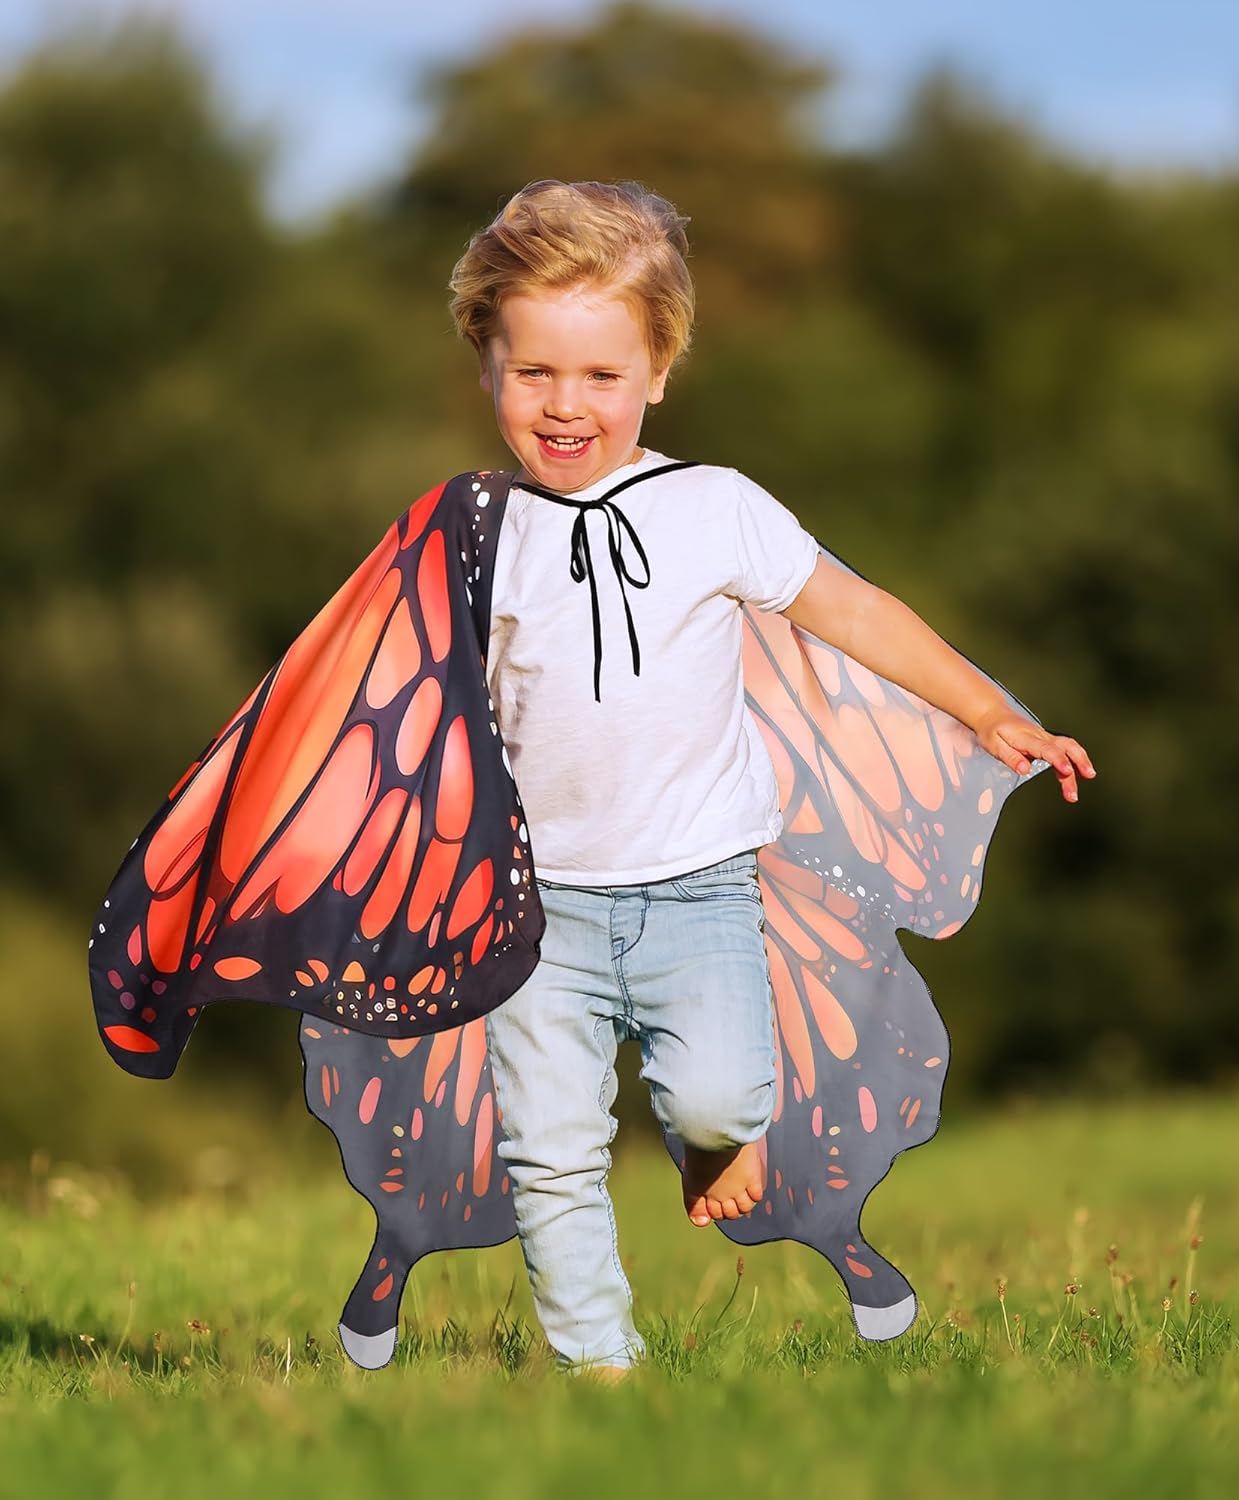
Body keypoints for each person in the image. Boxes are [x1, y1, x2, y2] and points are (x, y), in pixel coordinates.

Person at [445, 178, 1096, 1380]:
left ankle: (713, 1140)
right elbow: (391, 702)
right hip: (534, 910)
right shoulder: (467, 534)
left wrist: (990, 710)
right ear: (485, 361)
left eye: (601, 375)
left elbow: (852, 609)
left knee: (719, 1101)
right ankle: (600, 1373)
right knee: (549, 1152)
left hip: (697, 894)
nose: (566, 404)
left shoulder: (715, 509)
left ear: (658, 369)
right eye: (533, 372)